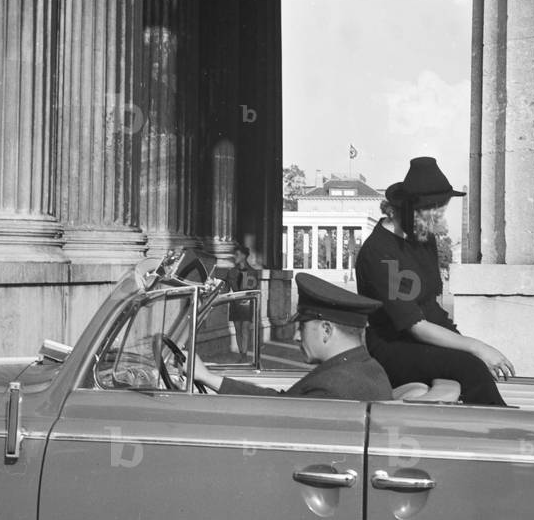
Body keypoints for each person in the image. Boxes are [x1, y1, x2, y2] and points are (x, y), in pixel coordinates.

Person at [355, 156, 514, 406]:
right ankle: (502, 434)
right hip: (392, 348)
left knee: (473, 364)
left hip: (421, 342)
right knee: (469, 366)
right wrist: (475, 347)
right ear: (416, 210)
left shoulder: (423, 239)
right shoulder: (379, 252)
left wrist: (463, 342)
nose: (440, 218)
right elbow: (414, 325)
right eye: (437, 210)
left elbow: (432, 308)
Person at [193, 273, 393, 400]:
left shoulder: (332, 388)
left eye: (302, 327)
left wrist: (206, 378)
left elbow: (279, 414)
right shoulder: (363, 368)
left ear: (326, 330)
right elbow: (285, 402)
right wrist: (208, 378)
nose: (297, 336)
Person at [228, 243, 257, 359]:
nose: (235, 257)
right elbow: (228, 287)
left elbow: (254, 289)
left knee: (245, 328)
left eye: (237, 254)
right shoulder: (231, 272)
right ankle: (241, 353)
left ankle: (244, 354)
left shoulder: (253, 272)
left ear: (244, 256)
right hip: (235, 303)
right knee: (237, 329)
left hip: (246, 303)